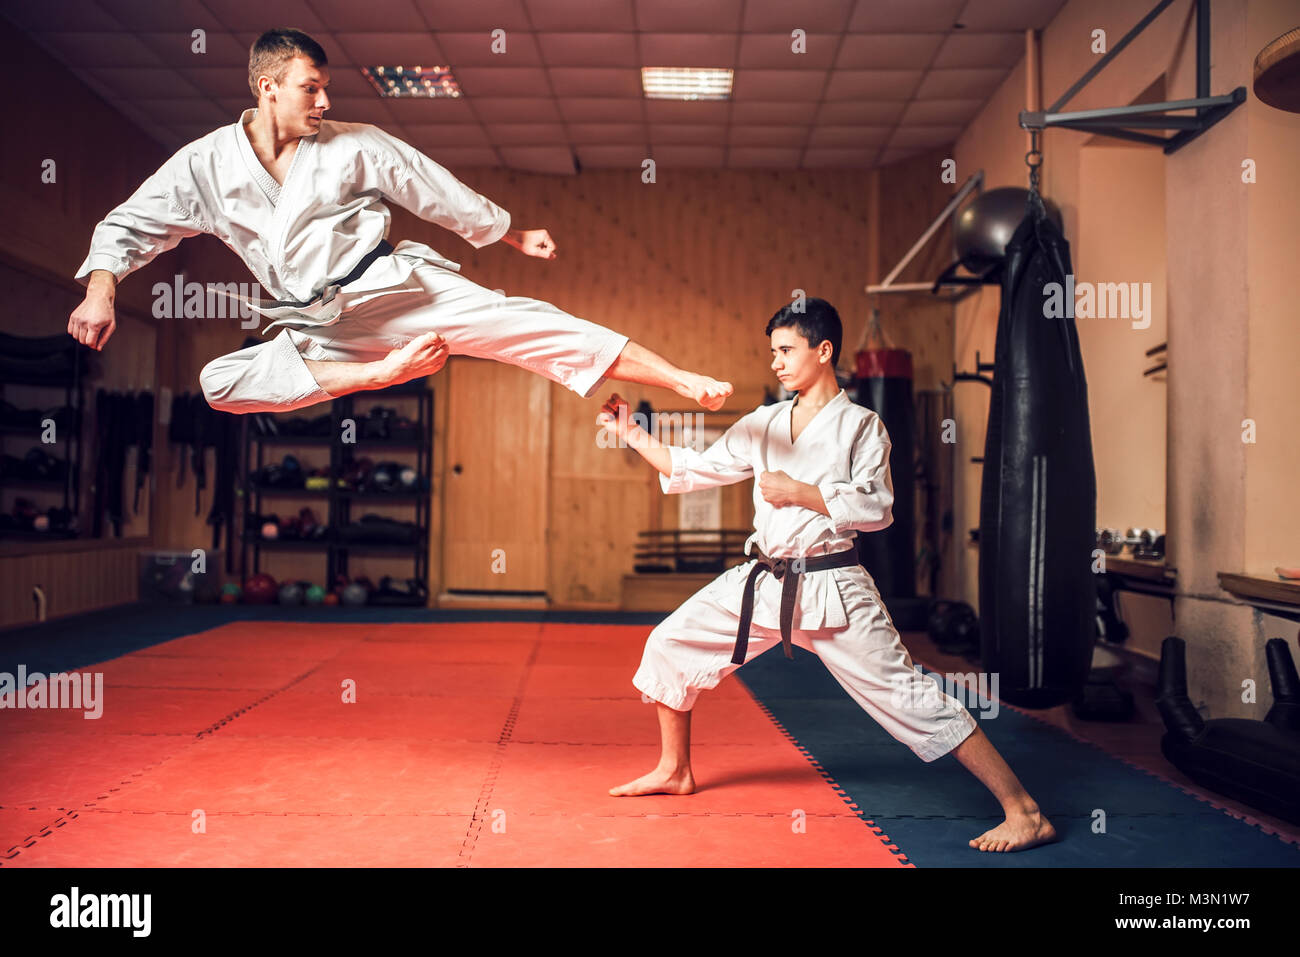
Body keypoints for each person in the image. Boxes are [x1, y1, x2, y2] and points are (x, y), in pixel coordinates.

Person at [67, 28, 733, 415]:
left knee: (532, 322)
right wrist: (102, 290)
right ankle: (378, 376)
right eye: (311, 88)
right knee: (218, 384)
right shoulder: (206, 165)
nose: (325, 100)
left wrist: (510, 232)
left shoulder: (354, 144)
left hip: (396, 292)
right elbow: (130, 225)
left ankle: (678, 376)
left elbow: (430, 187)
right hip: (316, 323)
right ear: (267, 88)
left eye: (327, 88)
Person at [597, 297, 1057, 853]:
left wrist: (803, 493)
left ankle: (1024, 810)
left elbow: (880, 509)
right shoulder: (762, 422)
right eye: (772, 352)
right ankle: (675, 770)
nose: (776, 362)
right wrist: (631, 432)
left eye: (786, 350)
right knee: (670, 643)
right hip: (764, 581)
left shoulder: (863, 427)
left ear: (824, 350)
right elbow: (694, 469)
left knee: (909, 696)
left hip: (833, 587)